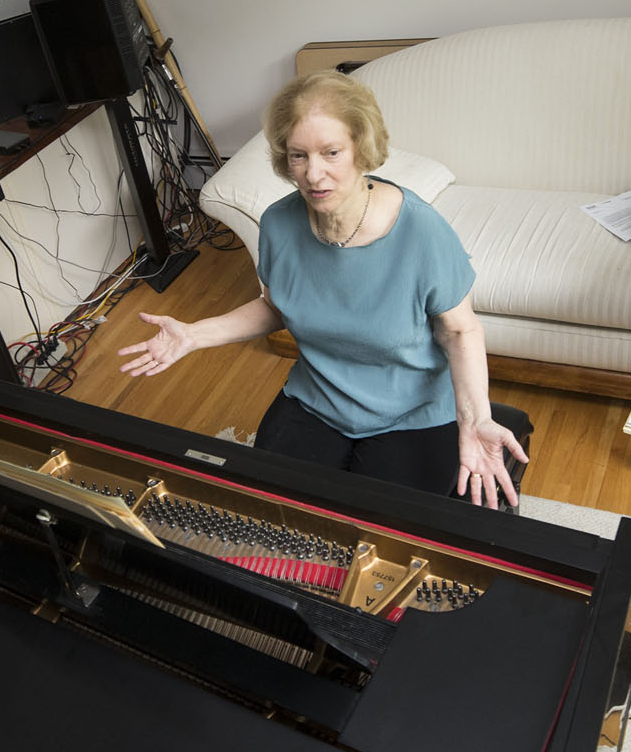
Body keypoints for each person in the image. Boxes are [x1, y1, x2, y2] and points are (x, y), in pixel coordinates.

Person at [118, 71, 526, 509]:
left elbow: (460, 331)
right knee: (274, 510)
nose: (314, 174)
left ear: (360, 148)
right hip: (317, 398)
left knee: (375, 528)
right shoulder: (278, 222)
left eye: (331, 152)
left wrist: (475, 418)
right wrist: (193, 334)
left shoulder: (421, 231)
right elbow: (277, 306)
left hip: (411, 411)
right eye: (298, 156)